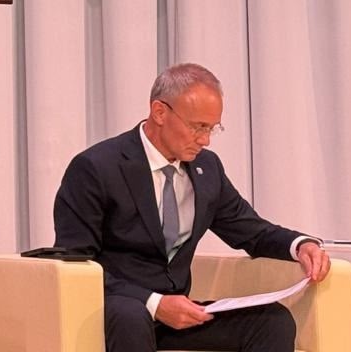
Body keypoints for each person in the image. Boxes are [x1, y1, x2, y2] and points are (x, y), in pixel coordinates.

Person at [52, 63, 331, 352]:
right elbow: (76, 262)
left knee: (273, 321)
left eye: (212, 128)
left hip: (177, 313)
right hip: (118, 310)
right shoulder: (97, 167)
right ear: (160, 112)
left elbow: (251, 231)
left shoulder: (206, 168)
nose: (205, 140)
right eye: (198, 127)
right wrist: (154, 302)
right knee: (130, 316)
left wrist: (301, 245)